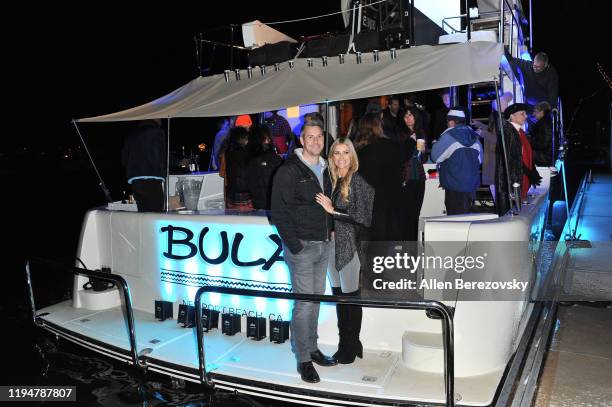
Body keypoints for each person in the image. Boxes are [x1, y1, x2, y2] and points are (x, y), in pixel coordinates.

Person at [271, 117, 337, 383]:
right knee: (304, 304)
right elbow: (278, 211)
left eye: (319, 137)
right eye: (310, 137)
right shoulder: (289, 171)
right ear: (301, 140)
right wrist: (295, 245)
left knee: (315, 300)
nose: (315, 141)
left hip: (323, 244)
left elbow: (330, 204)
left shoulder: (326, 168)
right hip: (302, 247)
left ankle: (312, 347)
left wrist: (330, 229)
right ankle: (303, 359)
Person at [314, 138, 374, 364]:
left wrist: (334, 210)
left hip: (350, 247)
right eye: (336, 153)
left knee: (350, 297)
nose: (341, 157)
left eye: (345, 153)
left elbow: (365, 218)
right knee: (341, 297)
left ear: (352, 156)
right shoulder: (329, 180)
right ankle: (348, 343)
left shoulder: (358, 181)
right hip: (330, 245)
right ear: (331, 157)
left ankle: (349, 346)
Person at [354, 113, 404, 241]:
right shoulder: (389, 146)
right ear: (378, 127)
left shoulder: (357, 149)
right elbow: (399, 169)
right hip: (386, 201)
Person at [431, 107, 483, 215]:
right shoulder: (474, 137)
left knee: (454, 219)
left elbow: (435, 157)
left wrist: (435, 145)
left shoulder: (449, 136)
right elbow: (480, 159)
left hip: (454, 186)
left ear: (451, 122)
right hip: (470, 187)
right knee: (466, 218)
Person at [495, 103, 541, 215]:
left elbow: (527, 154)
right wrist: (527, 171)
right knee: (510, 214)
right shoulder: (507, 132)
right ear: (512, 116)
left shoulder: (520, 132)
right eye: (522, 114)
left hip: (520, 178)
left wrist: (532, 170)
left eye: (525, 114)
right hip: (510, 182)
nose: (525, 116)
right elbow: (509, 158)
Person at [121, 119, 167, 212]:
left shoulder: (131, 134)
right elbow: (162, 154)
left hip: (135, 182)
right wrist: (178, 162)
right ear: (155, 118)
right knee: (156, 214)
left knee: (143, 214)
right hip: (152, 178)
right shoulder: (157, 132)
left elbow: (124, 159)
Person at [397, 107, 427, 241]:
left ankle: (414, 244)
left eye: (411, 115)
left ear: (416, 117)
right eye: (406, 116)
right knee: (405, 214)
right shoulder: (400, 134)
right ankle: (406, 244)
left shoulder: (421, 132)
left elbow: (423, 159)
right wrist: (411, 140)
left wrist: (423, 152)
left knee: (416, 213)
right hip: (405, 178)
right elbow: (401, 157)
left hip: (419, 178)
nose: (408, 118)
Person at [246, 125, 283, 210]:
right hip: (269, 202)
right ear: (265, 138)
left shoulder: (248, 156)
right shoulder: (271, 157)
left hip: (255, 201)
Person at [223, 126, 252, 210]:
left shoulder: (228, 152)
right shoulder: (244, 153)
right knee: (247, 220)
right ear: (241, 139)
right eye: (247, 137)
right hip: (243, 192)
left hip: (231, 192)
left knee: (235, 220)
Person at [529, 101, 554, 166]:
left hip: (544, 157)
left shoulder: (543, 124)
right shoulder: (548, 122)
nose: (533, 114)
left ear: (542, 112)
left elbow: (543, 144)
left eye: (535, 111)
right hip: (547, 156)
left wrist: (529, 141)